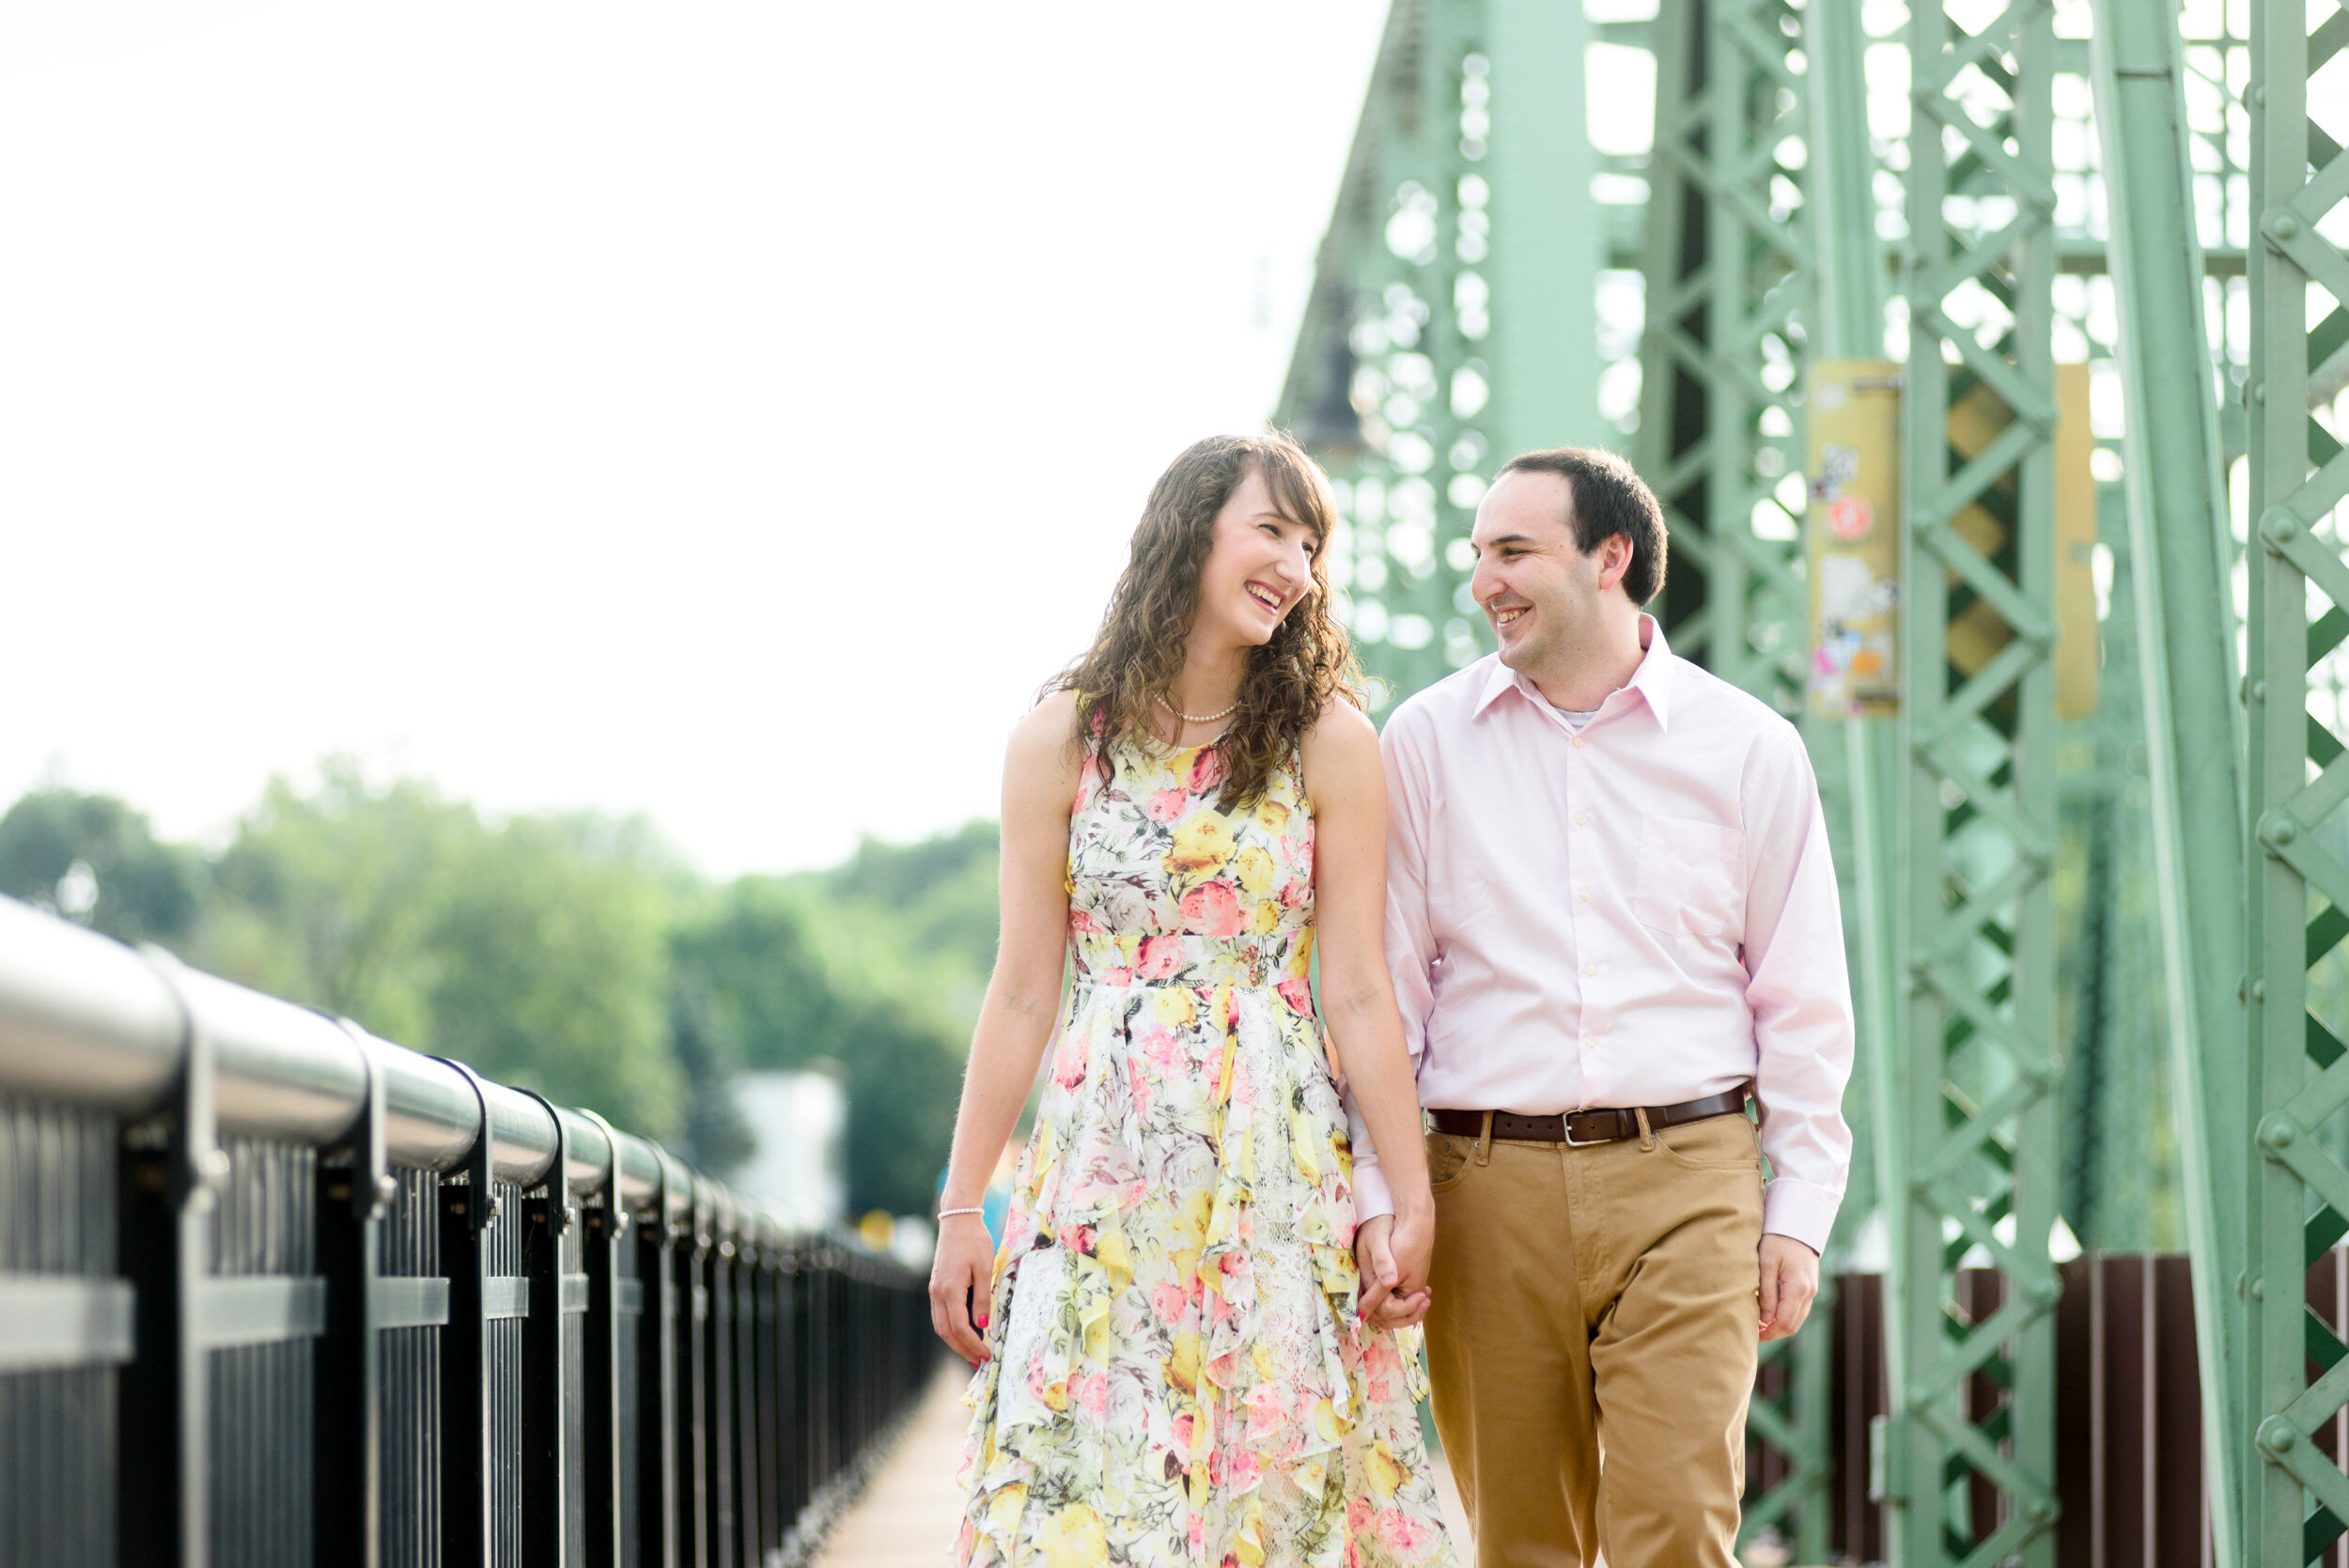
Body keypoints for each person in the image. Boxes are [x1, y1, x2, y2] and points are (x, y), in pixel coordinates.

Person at [931, 433, 1456, 1568]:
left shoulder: (1330, 740)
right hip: (1101, 1163)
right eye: (1271, 529)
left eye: (1312, 545)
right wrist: (963, 1205)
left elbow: (1357, 988)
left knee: (1272, 1466)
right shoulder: (1064, 736)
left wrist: (1406, 1196)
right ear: (1189, 532)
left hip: (1272, 1149)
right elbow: (1023, 988)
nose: (1296, 566)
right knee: (1094, 1465)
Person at [1346, 446, 1855, 1568]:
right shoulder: (1425, 743)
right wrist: (1381, 1187)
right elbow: (1387, 992)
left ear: (1610, 556)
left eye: (1513, 550)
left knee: (1675, 1521)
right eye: (1478, 555)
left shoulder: (1748, 749)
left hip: (1688, 1175)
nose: (1485, 580)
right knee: (1524, 1541)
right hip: (1484, 1186)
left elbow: (1803, 996)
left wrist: (1800, 1207)